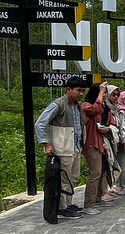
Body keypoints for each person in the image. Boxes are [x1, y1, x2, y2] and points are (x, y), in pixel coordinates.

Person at [35, 76, 87, 219]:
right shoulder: (58, 104)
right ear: (68, 89)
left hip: (75, 147)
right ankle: (62, 208)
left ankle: (68, 204)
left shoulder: (78, 106)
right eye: (78, 90)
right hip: (62, 147)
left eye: (83, 91)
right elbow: (40, 123)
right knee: (63, 178)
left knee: (73, 177)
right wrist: (46, 143)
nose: (81, 94)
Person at [81, 82, 113, 215]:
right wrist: (100, 93)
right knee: (94, 173)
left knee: (101, 171)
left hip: (99, 141)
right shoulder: (86, 106)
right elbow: (96, 109)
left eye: (105, 92)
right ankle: (88, 204)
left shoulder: (102, 106)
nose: (105, 95)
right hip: (91, 143)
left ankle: (98, 196)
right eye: (103, 92)